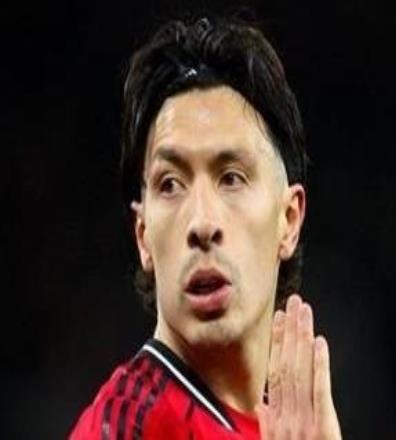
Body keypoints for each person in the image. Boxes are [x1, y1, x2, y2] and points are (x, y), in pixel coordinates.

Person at [70, 14, 342, 440]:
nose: (202, 223)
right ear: (143, 236)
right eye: (170, 184)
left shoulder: (292, 427)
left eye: (231, 178)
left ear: (289, 219)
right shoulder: (127, 428)